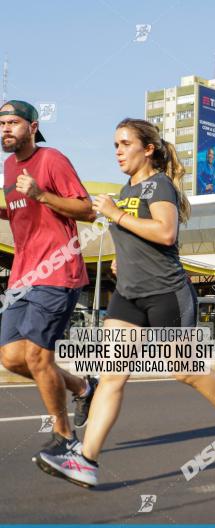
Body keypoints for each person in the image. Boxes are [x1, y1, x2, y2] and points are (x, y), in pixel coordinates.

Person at [36, 118, 215, 488]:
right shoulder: (126, 189)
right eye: (115, 146)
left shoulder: (159, 185)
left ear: (148, 149)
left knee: (183, 368)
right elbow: (139, 236)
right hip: (129, 296)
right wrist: (125, 255)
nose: (118, 151)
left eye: (124, 144)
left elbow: (166, 232)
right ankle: (87, 460)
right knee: (111, 375)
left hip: (166, 293)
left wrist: (117, 215)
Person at [0, 100, 98, 463]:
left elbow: (86, 209)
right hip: (23, 274)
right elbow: (19, 211)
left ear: (33, 126)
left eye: (13, 122)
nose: (6, 129)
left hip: (57, 271)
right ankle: (82, 387)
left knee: (38, 356)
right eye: (2, 123)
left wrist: (41, 192)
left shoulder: (52, 159)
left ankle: (64, 437)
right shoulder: (9, 166)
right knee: (11, 358)